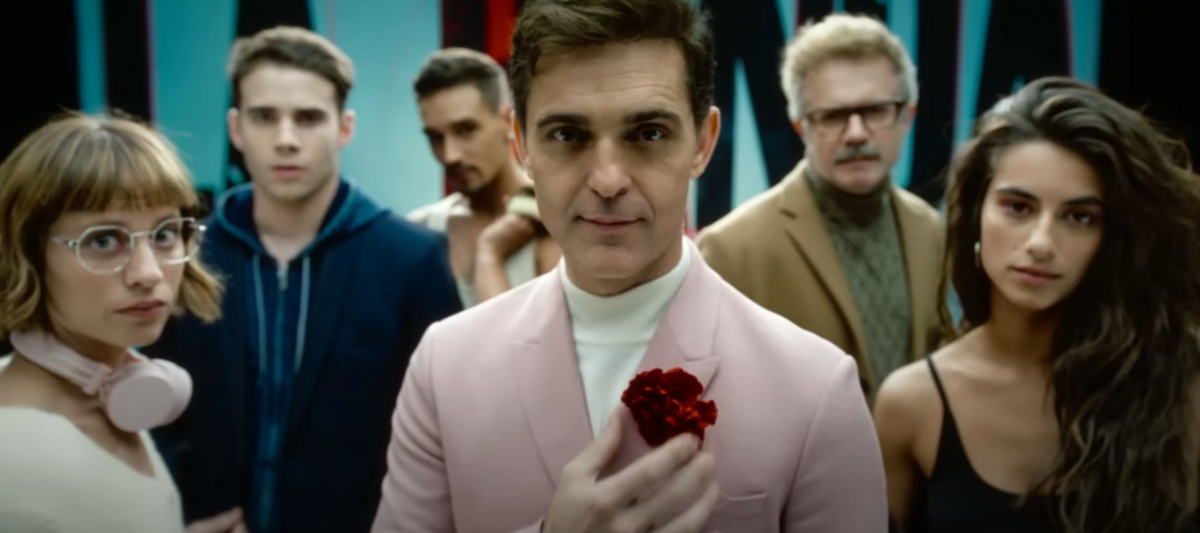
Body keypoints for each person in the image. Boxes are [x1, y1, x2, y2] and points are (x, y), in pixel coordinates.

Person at [372, 1, 887, 532]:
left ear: (703, 142)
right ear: (521, 144)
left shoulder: (815, 388)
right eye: (567, 135)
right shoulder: (443, 367)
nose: (608, 179)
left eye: (648, 133)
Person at [144, 27, 462, 533]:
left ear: (344, 128)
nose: (286, 139)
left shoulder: (409, 258)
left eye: (309, 118)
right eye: (265, 117)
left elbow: (449, 424)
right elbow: (150, 405)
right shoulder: (190, 256)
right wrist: (179, 512)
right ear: (236, 129)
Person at [874, 77, 1200, 532]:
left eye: (1079, 217)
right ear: (977, 213)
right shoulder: (912, 404)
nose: (1041, 243)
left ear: (1112, 238)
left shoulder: (1178, 380)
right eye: (1018, 207)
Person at [0, 114, 236, 532]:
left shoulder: (104, 382)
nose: (148, 272)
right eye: (103, 240)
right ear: (27, 255)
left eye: (164, 234)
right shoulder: (22, 475)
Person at [697, 13, 942, 396]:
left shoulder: (932, 230)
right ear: (801, 125)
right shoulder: (730, 249)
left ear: (906, 116)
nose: (856, 133)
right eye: (833, 116)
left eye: (875, 110)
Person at [408, 47, 561, 307]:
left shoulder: (552, 222)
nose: (450, 155)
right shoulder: (421, 229)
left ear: (507, 122)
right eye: (435, 137)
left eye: (465, 130)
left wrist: (490, 252)